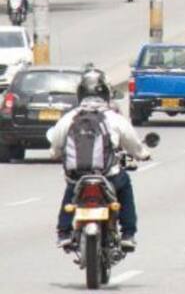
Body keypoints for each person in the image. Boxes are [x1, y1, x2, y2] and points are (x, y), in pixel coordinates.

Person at [48, 68, 150, 250]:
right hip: (108, 176)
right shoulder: (113, 118)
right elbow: (133, 143)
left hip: (77, 176)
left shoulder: (70, 117)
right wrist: (142, 154)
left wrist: (55, 154)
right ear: (106, 93)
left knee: (71, 190)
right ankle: (128, 233)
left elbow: (55, 145)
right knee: (125, 185)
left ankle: (63, 232)